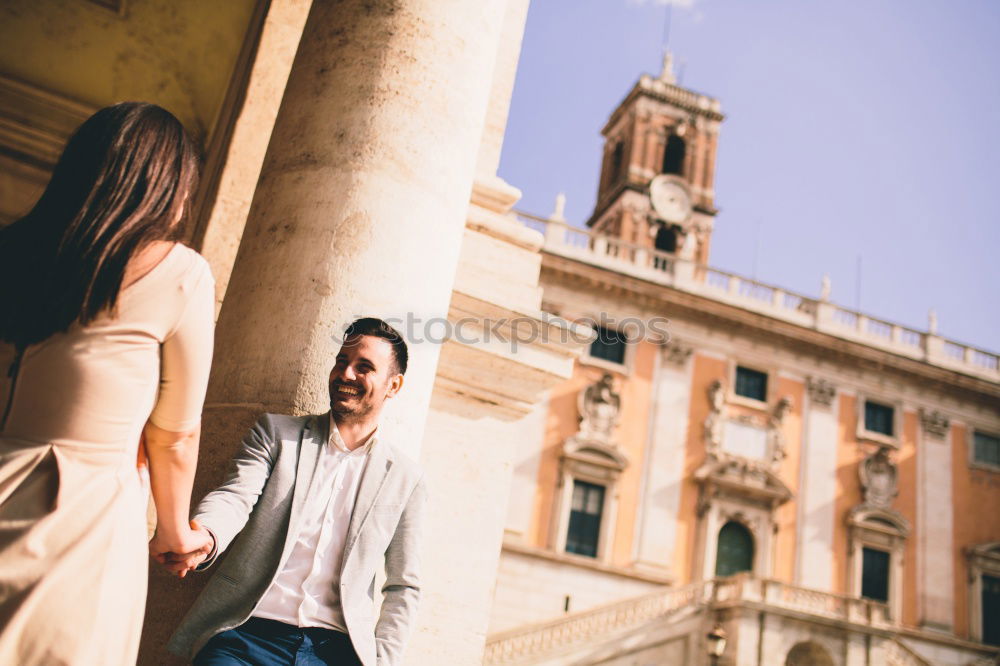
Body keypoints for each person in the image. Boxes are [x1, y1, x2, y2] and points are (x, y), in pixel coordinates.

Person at [0, 102, 215, 665]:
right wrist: (173, 532)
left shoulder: (12, 250)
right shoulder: (180, 272)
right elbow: (174, 435)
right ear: (169, 187)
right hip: (79, 523)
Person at [164, 317, 426, 666]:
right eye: (341, 362)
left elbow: (404, 585)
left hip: (336, 651)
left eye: (364, 367)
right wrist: (207, 536)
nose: (346, 374)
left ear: (394, 385)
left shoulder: (405, 478)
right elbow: (235, 496)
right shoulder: (276, 435)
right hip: (247, 634)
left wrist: (383, 661)